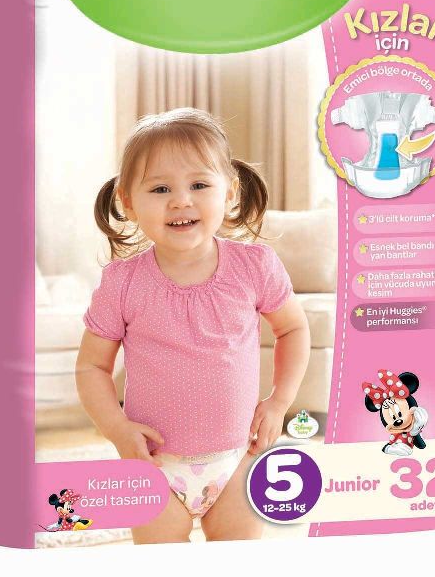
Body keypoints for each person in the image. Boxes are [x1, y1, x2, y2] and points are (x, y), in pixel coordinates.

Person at [76, 108, 310, 544]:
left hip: (240, 456)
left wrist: (280, 402)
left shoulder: (254, 266)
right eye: (160, 188)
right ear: (128, 202)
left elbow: (292, 330)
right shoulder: (122, 282)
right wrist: (117, 430)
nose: (181, 200)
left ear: (230, 191)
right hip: (153, 464)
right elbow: (92, 367)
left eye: (199, 185)